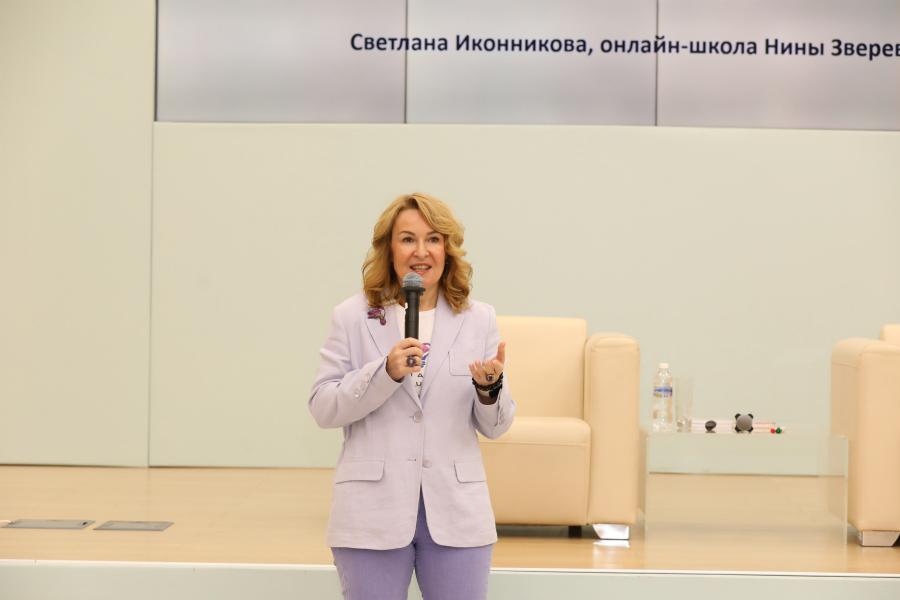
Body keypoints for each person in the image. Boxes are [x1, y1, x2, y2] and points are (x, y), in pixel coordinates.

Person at [309, 192, 515, 600]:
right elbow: (323, 407)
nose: (421, 252)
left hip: (456, 512)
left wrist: (489, 389)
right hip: (371, 513)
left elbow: (497, 426)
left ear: (447, 249)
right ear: (388, 249)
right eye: (407, 239)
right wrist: (383, 372)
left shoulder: (479, 318)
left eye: (433, 239)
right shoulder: (352, 316)